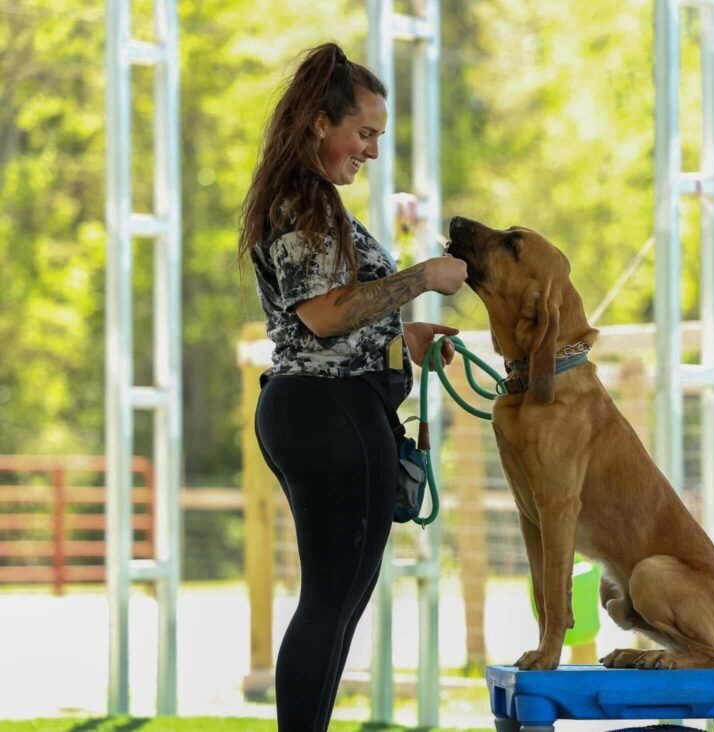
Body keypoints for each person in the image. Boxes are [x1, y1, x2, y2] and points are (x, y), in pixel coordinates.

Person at [237, 42, 467, 731]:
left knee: (337, 600)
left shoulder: (311, 203)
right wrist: (421, 277)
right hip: (328, 413)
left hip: (320, 406)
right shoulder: (305, 202)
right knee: (330, 600)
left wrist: (403, 336)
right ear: (319, 123)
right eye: (363, 133)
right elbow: (325, 315)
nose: (369, 151)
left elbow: (334, 317)